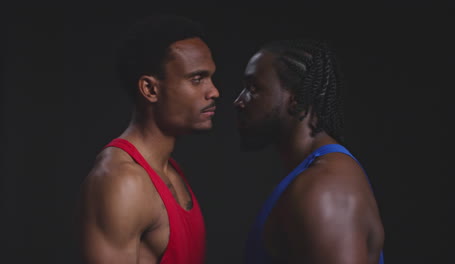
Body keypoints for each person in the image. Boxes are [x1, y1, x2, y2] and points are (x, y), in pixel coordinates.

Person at [77, 14, 219, 264]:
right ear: (150, 89)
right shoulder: (122, 182)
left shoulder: (172, 171)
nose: (214, 91)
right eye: (197, 79)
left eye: (210, 78)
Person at [234, 39, 384, 264]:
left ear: (294, 98)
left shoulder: (326, 187)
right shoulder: (312, 177)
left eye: (254, 88)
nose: (239, 101)